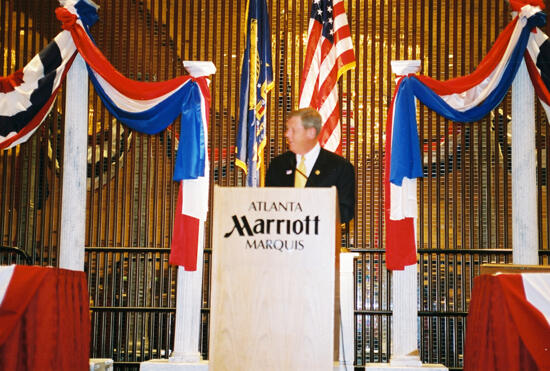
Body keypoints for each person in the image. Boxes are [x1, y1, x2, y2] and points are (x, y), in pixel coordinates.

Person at [265, 107, 355, 223]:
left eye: (293, 130)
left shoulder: (339, 167)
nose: (286, 134)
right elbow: (267, 205)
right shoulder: (278, 165)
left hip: (320, 238)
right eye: (287, 129)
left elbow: (345, 212)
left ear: (311, 132)